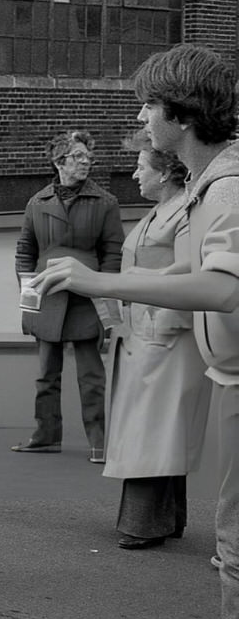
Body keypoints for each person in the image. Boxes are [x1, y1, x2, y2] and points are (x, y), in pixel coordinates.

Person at [33, 44, 239, 619]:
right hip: (227, 375)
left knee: (236, 546)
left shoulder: (225, 185)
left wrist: (102, 285)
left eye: (149, 106)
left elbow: (224, 288)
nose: (141, 119)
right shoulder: (211, 182)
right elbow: (192, 270)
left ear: (184, 114)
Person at [97, 131, 212, 550]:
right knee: (155, 428)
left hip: (165, 335)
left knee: (154, 429)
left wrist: (160, 321)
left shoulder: (183, 211)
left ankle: (143, 523)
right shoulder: (161, 210)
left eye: (141, 167)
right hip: (145, 334)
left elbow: (188, 270)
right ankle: (165, 519)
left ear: (164, 174)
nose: (134, 174)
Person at [12, 130, 124, 461]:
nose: (86, 162)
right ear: (59, 161)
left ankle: (100, 442)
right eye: (78, 157)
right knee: (46, 374)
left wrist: (107, 290)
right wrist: (26, 289)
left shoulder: (105, 202)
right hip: (47, 296)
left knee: (92, 376)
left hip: (88, 296)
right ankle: (45, 435)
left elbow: (112, 252)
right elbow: (25, 249)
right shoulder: (37, 202)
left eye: (89, 157)